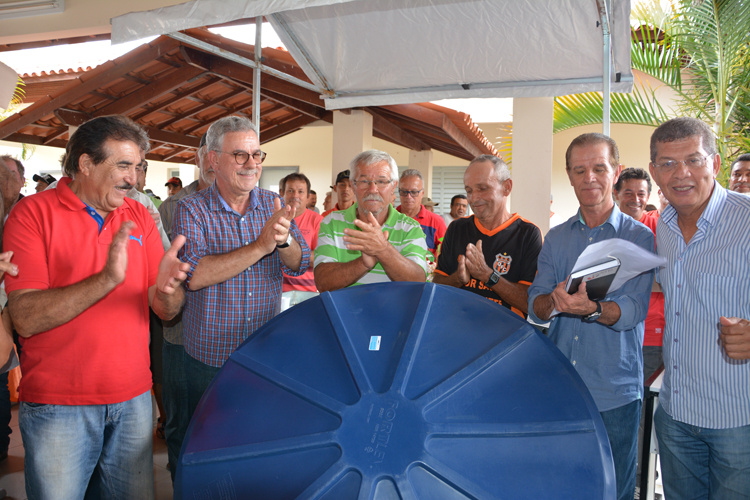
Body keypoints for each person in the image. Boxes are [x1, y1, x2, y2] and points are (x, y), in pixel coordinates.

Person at [3, 115, 189, 500]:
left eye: (137, 167)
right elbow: (25, 316)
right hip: (59, 404)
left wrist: (170, 290)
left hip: (135, 400)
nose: (134, 179)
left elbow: (166, 309)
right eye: (122, 166)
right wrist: (106, 279)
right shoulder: (32, 214)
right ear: (85, 164)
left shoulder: (138, 214)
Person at [528, 133, 654, 500]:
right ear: (568, 175)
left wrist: (593, 309)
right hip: (560, 386)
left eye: (599, 168)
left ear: (614, 171)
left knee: (612, 487)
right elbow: (535, 302)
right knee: (560, 485)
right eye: (580, 170)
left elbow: (633, 310)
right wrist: (552, 302)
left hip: (613, 389)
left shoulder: (638, 238)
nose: (590, 178)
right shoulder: (556, 238)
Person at [173, 116, 309, 419]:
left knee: (257, 435)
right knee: (206, 442)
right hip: (210, 357)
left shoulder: (273, 203)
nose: (252, 163)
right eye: (240, 155)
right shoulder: (191, 209)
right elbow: (193, 276)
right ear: (214, 160)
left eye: (257, 154)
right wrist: (261, 246)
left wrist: (284, 241)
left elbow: (301, 264)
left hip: (264, 351)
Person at [648, 117, 750, 499]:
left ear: (716, 164)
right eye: (668, 163)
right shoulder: (663, 227)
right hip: (675, 415)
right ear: (655, 171)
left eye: (693, 159)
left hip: (738, 419)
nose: (681, 174)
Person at [157, 133, 214, 481]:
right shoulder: (175, 205)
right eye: (209, 156)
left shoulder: (250, 203)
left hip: (229, 334)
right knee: (183, 421)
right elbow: (170, 271)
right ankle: (182, 483)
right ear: (202, 158)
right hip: (182, 330)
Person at [434, 155, 542, 317]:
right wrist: (458, 278)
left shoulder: (527, 233)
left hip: (505, 334)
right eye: (469, 191)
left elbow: (530, 304)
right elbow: (436, 288)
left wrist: (487, 275)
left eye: (483, 188)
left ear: (507, 187)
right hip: (457, 327)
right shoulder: (457, 228)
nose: (474, 198)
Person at [612, 167, 665, 486]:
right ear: (616, 193)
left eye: (641, 194)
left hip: (657, 337)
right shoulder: (611, 229)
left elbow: (664, 280)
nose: (635, 199)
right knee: (630, 420)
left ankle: (640, 485)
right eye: (628, 192)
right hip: (624, 336)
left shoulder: (657, 225)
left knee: (647, 421)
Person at [314, 150, 428, 291]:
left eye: (381, 181)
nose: (373, 189)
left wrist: (383, 250)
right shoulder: (331, 222)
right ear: (353, 185)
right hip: (343, 312)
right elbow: (322, 282)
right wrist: (363, 263)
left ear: (393, 186)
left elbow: (418, 281)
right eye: (364, 181)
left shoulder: (410, 227)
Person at [281, 173, 323, 301]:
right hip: (277, 293)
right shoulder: (273, 218)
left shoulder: (317, 220)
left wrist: (290, 253)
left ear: (308, 197)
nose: (295, 196)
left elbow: (321, 257)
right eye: (290, 191)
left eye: (300, 192)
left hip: (307, 295)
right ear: (281, 193)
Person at [396, 169, 446, 260]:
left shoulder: (436, 222)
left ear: (422, 193)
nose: (408, 196)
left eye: (414, 192)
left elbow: (446, 254)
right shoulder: (389, 218)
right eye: (404, 192)